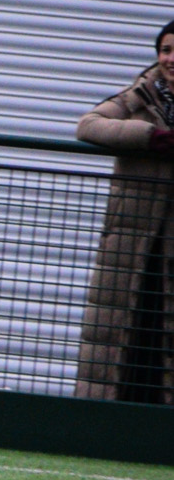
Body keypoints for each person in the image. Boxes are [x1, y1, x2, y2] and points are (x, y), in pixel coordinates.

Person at [74, 21, 174, 404]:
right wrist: (151, 138)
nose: (170, 59)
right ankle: (99, 423)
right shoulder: (140, 95)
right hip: (131, 244)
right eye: (165, 50)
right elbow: (89, 126)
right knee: (118, 335)